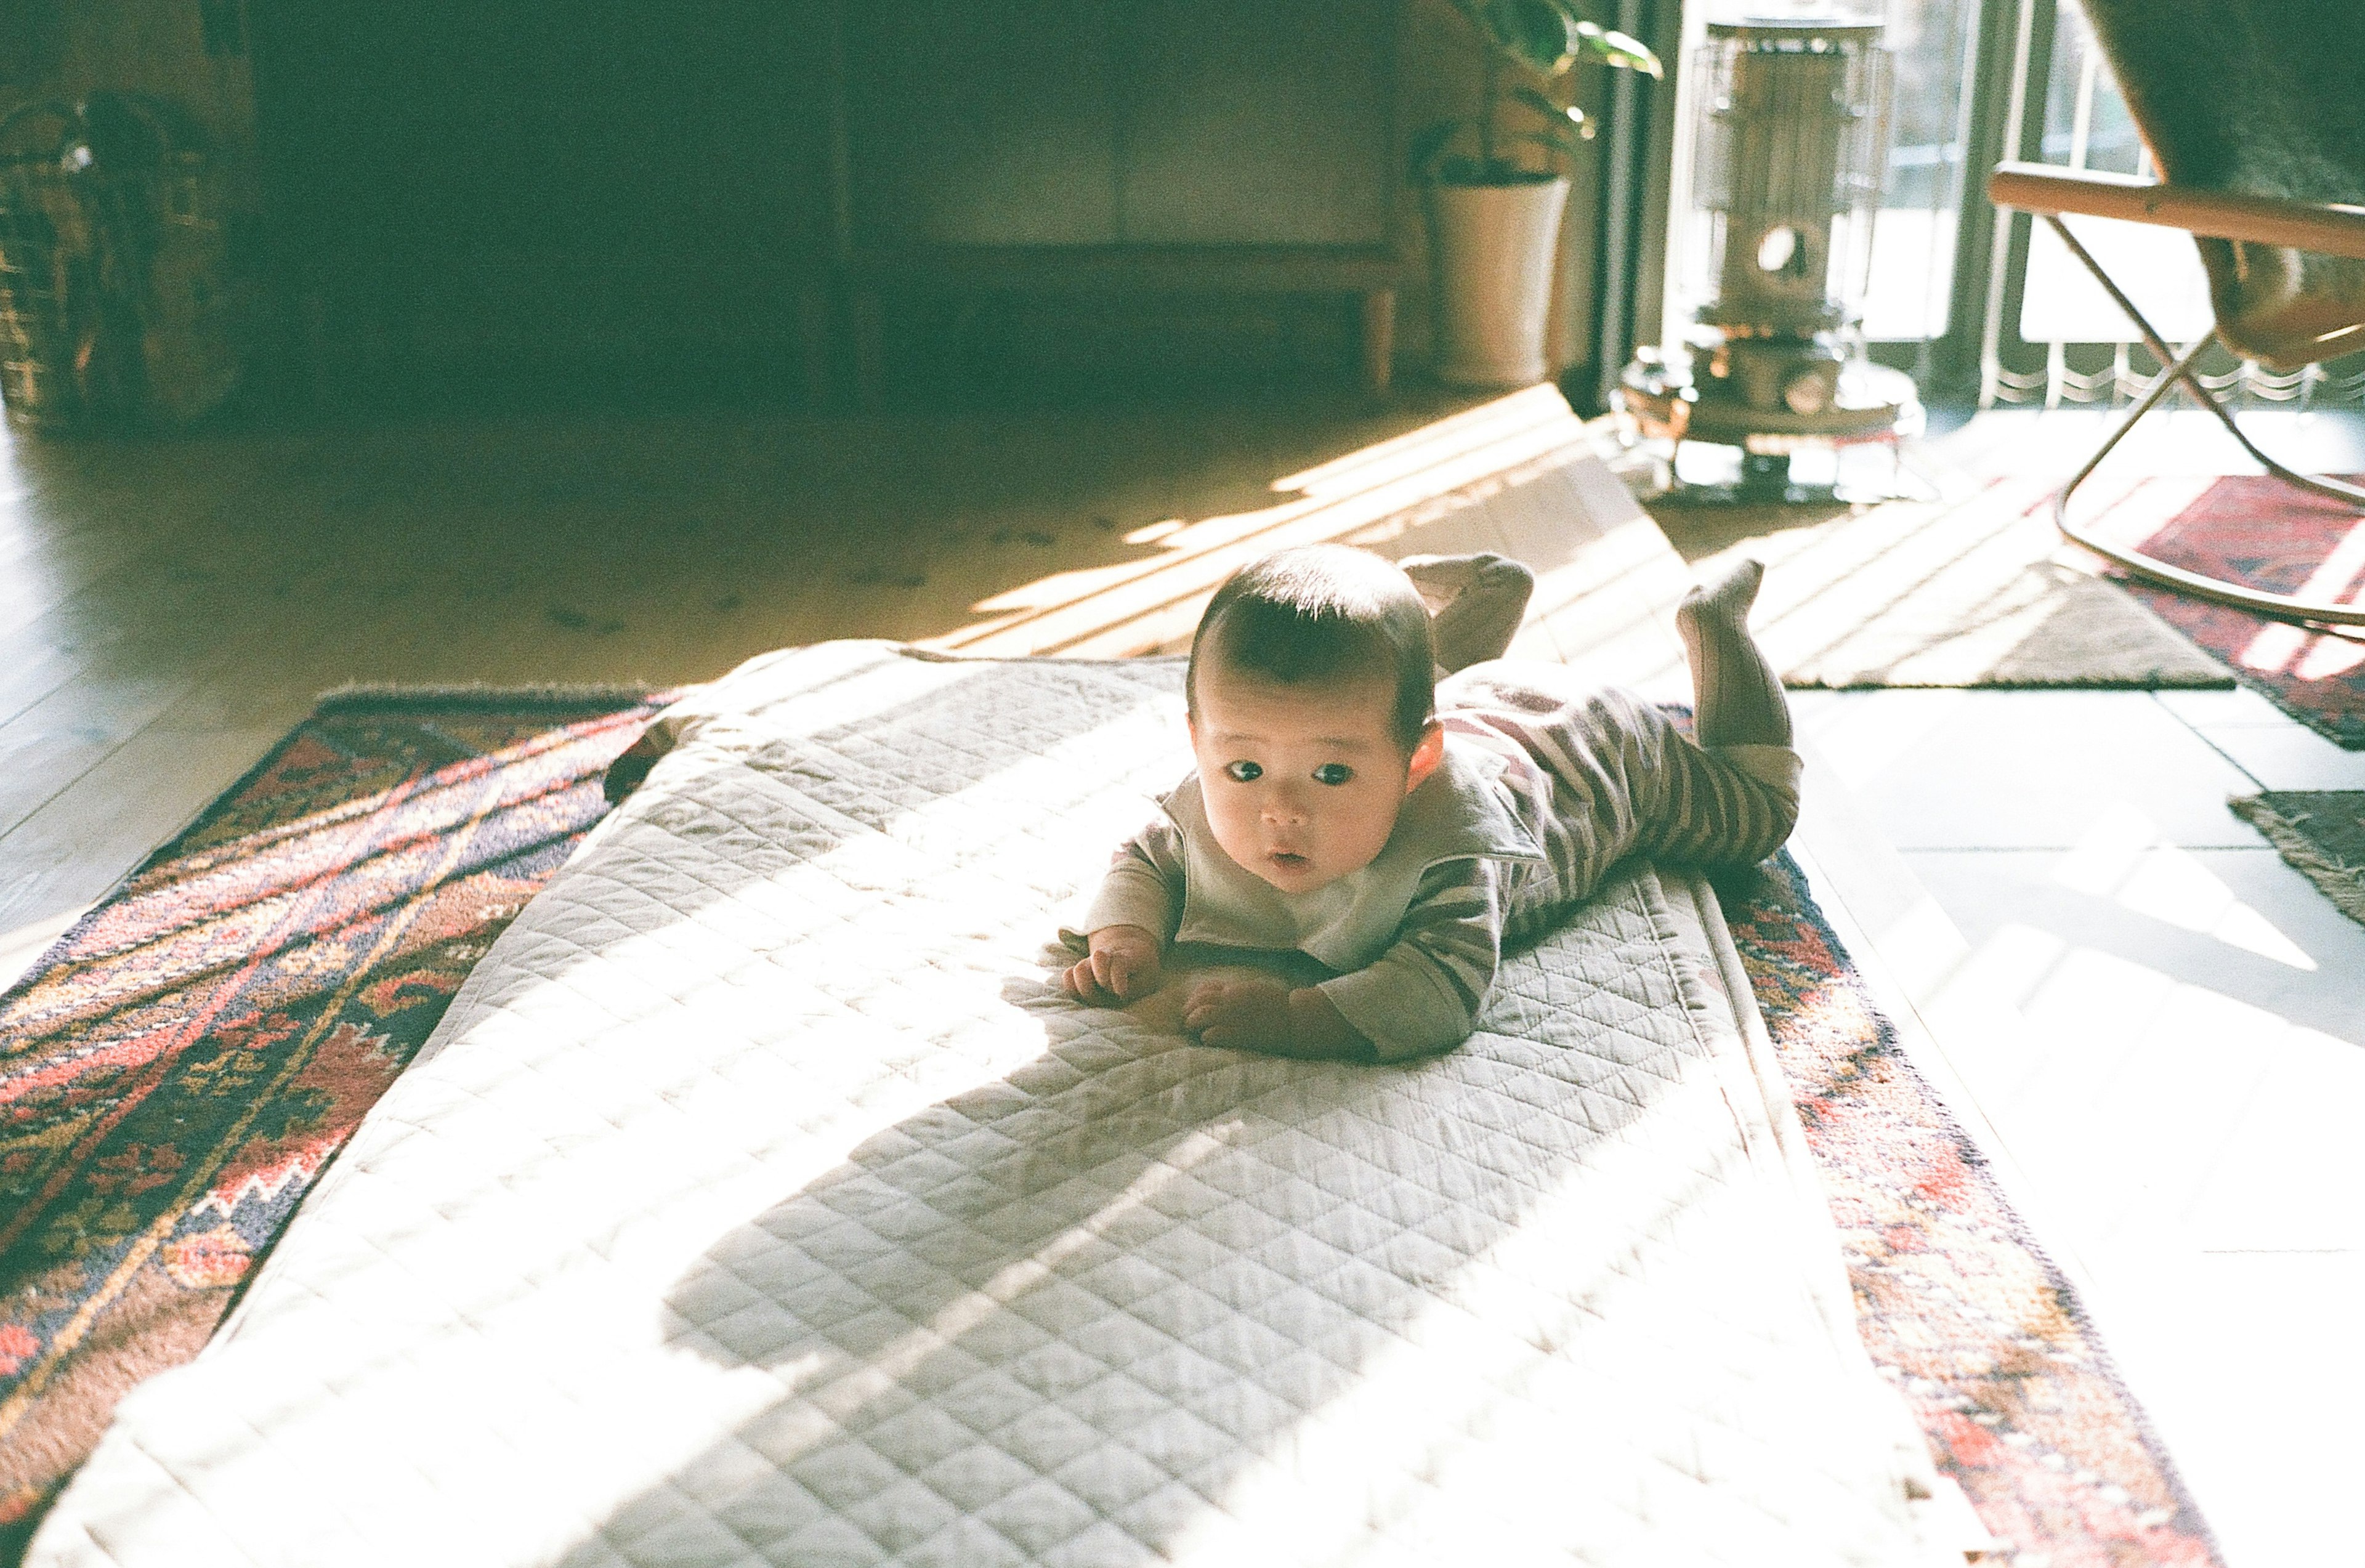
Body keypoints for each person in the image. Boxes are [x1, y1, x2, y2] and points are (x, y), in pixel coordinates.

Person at [1060, 543, 1799, 1060]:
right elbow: (1145, 859)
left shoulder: (1454, 851)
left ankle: (1717, 625)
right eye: (1245, 767)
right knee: (1397, 685)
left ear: (1418, 762)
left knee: (1757, 813)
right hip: (1467, 703)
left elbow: (1441, 985)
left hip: (1592, 745)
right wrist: (1126, 934)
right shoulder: (1220, 795)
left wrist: (1294, 1018)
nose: (1279, 810)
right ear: (1201, 743)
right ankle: (1494, 589)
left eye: (1331, 777)